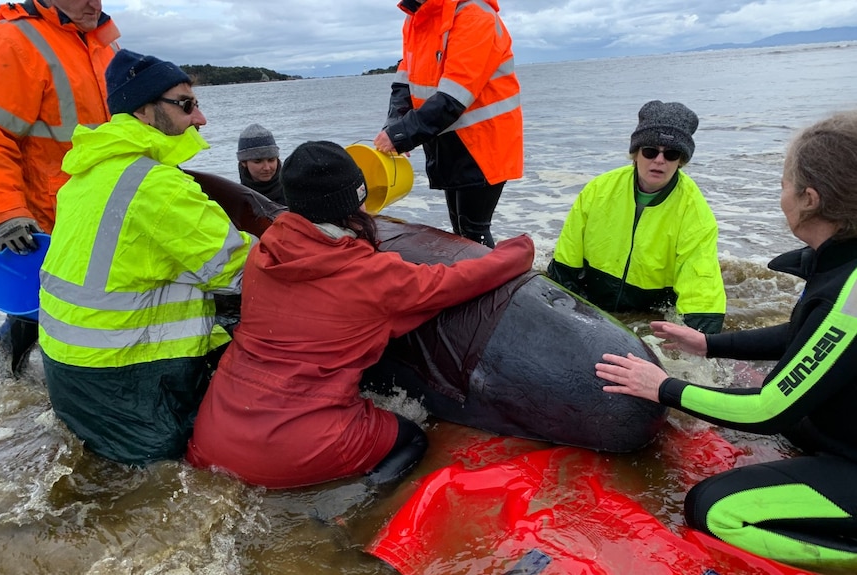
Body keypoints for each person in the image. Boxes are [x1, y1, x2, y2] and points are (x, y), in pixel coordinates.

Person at [186, 140, 535, 489]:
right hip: (291, 450)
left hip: (212, 434)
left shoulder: (262, 254)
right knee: (412, 438)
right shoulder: (371, 274)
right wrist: (519, 251)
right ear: (353, 202)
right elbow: (456, 281)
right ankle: (356, 506)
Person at [595, 111, 857, 569]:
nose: (780, 196)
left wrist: (662, 388)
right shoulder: (840, 265)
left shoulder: (849, 293)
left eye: (783, 184)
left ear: (810, 199)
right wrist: (709, 345)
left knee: (713, 509)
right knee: (800, 411)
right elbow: (808, 337)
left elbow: (767, 409)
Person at [37, 49, 255, 465]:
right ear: (143, 110)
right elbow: (243, 271)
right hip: (124, 375)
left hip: (65, 369)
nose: (200, 118)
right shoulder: (159, 188)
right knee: (165, 479)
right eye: (186, 104)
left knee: (98, 479)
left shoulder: (85, 175)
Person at [0, 0, 119, 374]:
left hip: (106, 208)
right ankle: (10, 382)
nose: (92, 2)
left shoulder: (101, 41)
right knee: (43, 311)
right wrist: (8, 212)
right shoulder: (15, 41)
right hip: (50, 214)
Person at [547, 100, 727, 335]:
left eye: (671, 154)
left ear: (681, 160)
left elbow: (702, 294)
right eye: (650, 151)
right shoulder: (598, 190)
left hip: (649, 312)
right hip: (592, 301)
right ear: (635, 153)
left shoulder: (695, 213)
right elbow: (565, 263)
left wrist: (702, 348)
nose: (659, 160)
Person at [372, 0, 522, 248]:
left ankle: (497, 281)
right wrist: (394, 123)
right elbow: (404, 80)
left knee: (474, 231)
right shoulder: (415, 18)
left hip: (484, 143)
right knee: (460, 232)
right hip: (447, 139)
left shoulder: (474, 14)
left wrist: (402, 134)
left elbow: (455, 96)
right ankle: (477, 280)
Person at [236, 123, 285, 204]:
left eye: (271, 160)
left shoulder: (295, 193)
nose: (267, 168)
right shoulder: (236, 197)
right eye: (258, 161)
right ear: (244, 162)